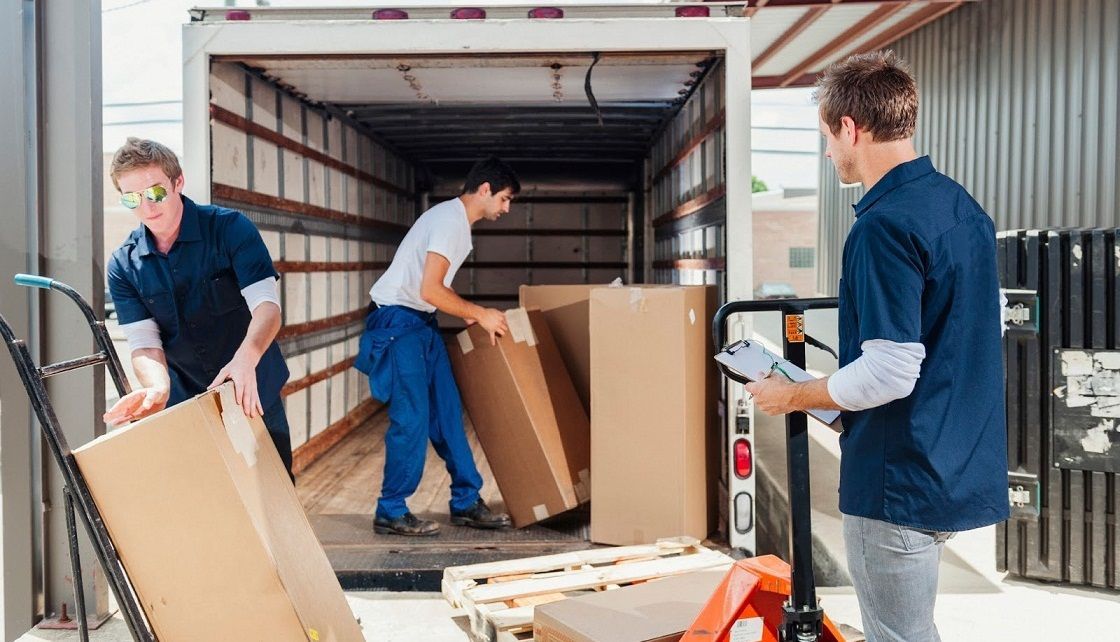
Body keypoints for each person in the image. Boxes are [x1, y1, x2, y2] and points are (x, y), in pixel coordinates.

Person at [744, 52, 1008, 642]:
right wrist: (833, 405)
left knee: (899, 636)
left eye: (827, 138)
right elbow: (954, 340)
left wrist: (793, 395)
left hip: (899, 482)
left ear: (850, 128)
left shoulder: (883, 225)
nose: (828, 153)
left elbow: (890, 372)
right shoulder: (962, 208)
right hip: (953, 463)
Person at [103, 138, 293, 478]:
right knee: (207, 497)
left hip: (252, 386)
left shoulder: (230, 229)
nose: (147, 207)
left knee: (275, 490)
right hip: (187, 400)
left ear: (178, 182)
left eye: (155, 192)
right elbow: (145, 343)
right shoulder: (123, 264)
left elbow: (267, 308)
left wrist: (246, 357)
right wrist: (157, 387)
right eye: (132, 198)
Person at [355, 156, 518, 536]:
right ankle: (391, 509)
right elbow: (430, 288)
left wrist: (459, 309)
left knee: (447, 413)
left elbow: (432, 289)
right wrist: (478, 313)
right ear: (484, 190)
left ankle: (466, 501)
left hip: (421, 321)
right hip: (398, 323)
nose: (506, 209)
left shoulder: (454, 221)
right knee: (411, 419)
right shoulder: (449, 222)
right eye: (505, 199)